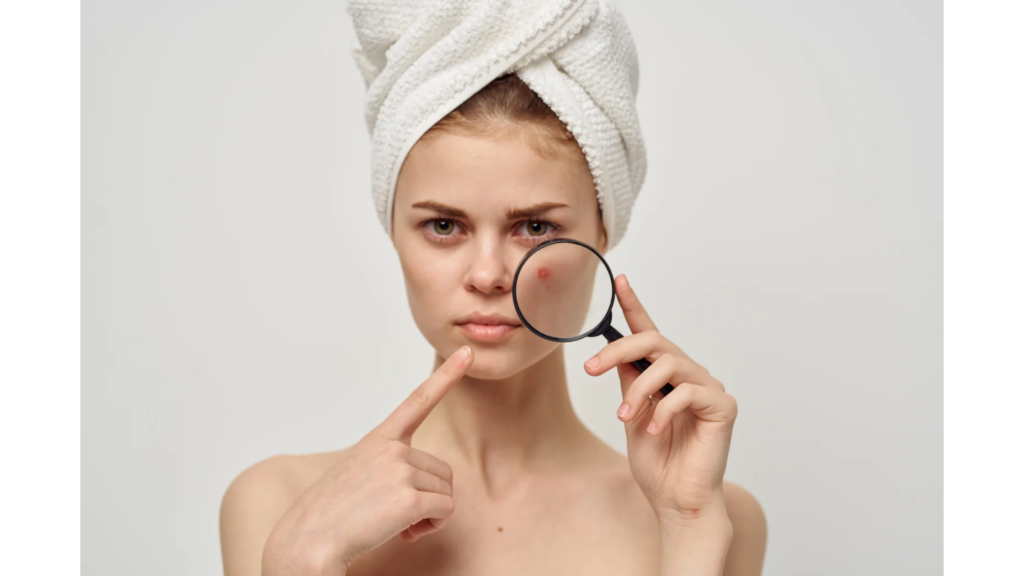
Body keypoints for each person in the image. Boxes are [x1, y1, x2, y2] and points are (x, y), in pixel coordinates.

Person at [221, 2, 767, 575]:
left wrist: (687, 526)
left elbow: (697, 522)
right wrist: (303, 560)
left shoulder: (710, 514)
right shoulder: (281, 504)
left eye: (535, 228)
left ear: (603, 230)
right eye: (443, 226)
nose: (487, 275)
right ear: (393, 230)